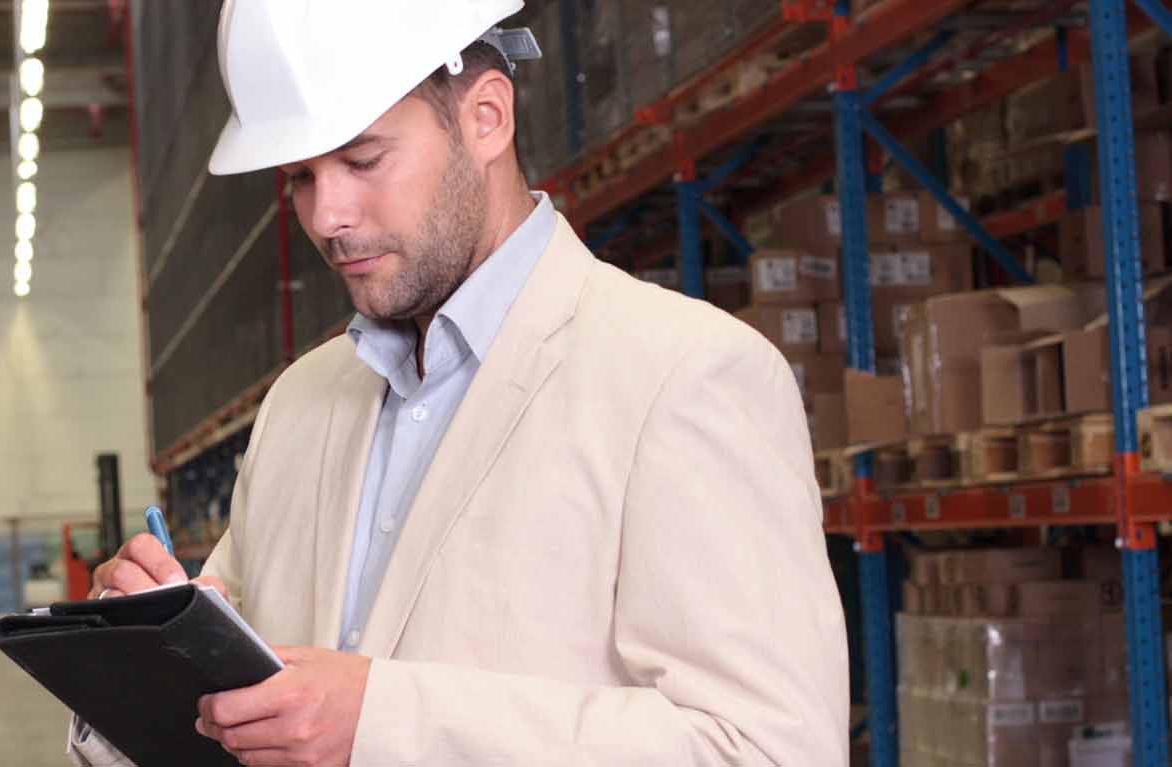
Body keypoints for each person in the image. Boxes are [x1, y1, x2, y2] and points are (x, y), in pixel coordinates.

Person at [67, 1, 848, 765]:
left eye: (362, 159)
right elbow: (249, 710)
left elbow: (769, 748)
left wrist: (380, 722)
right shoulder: (300, 404)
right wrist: (140, 659)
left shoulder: (683, 375)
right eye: (299, 177)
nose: (326, 215)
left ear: (485, 117)